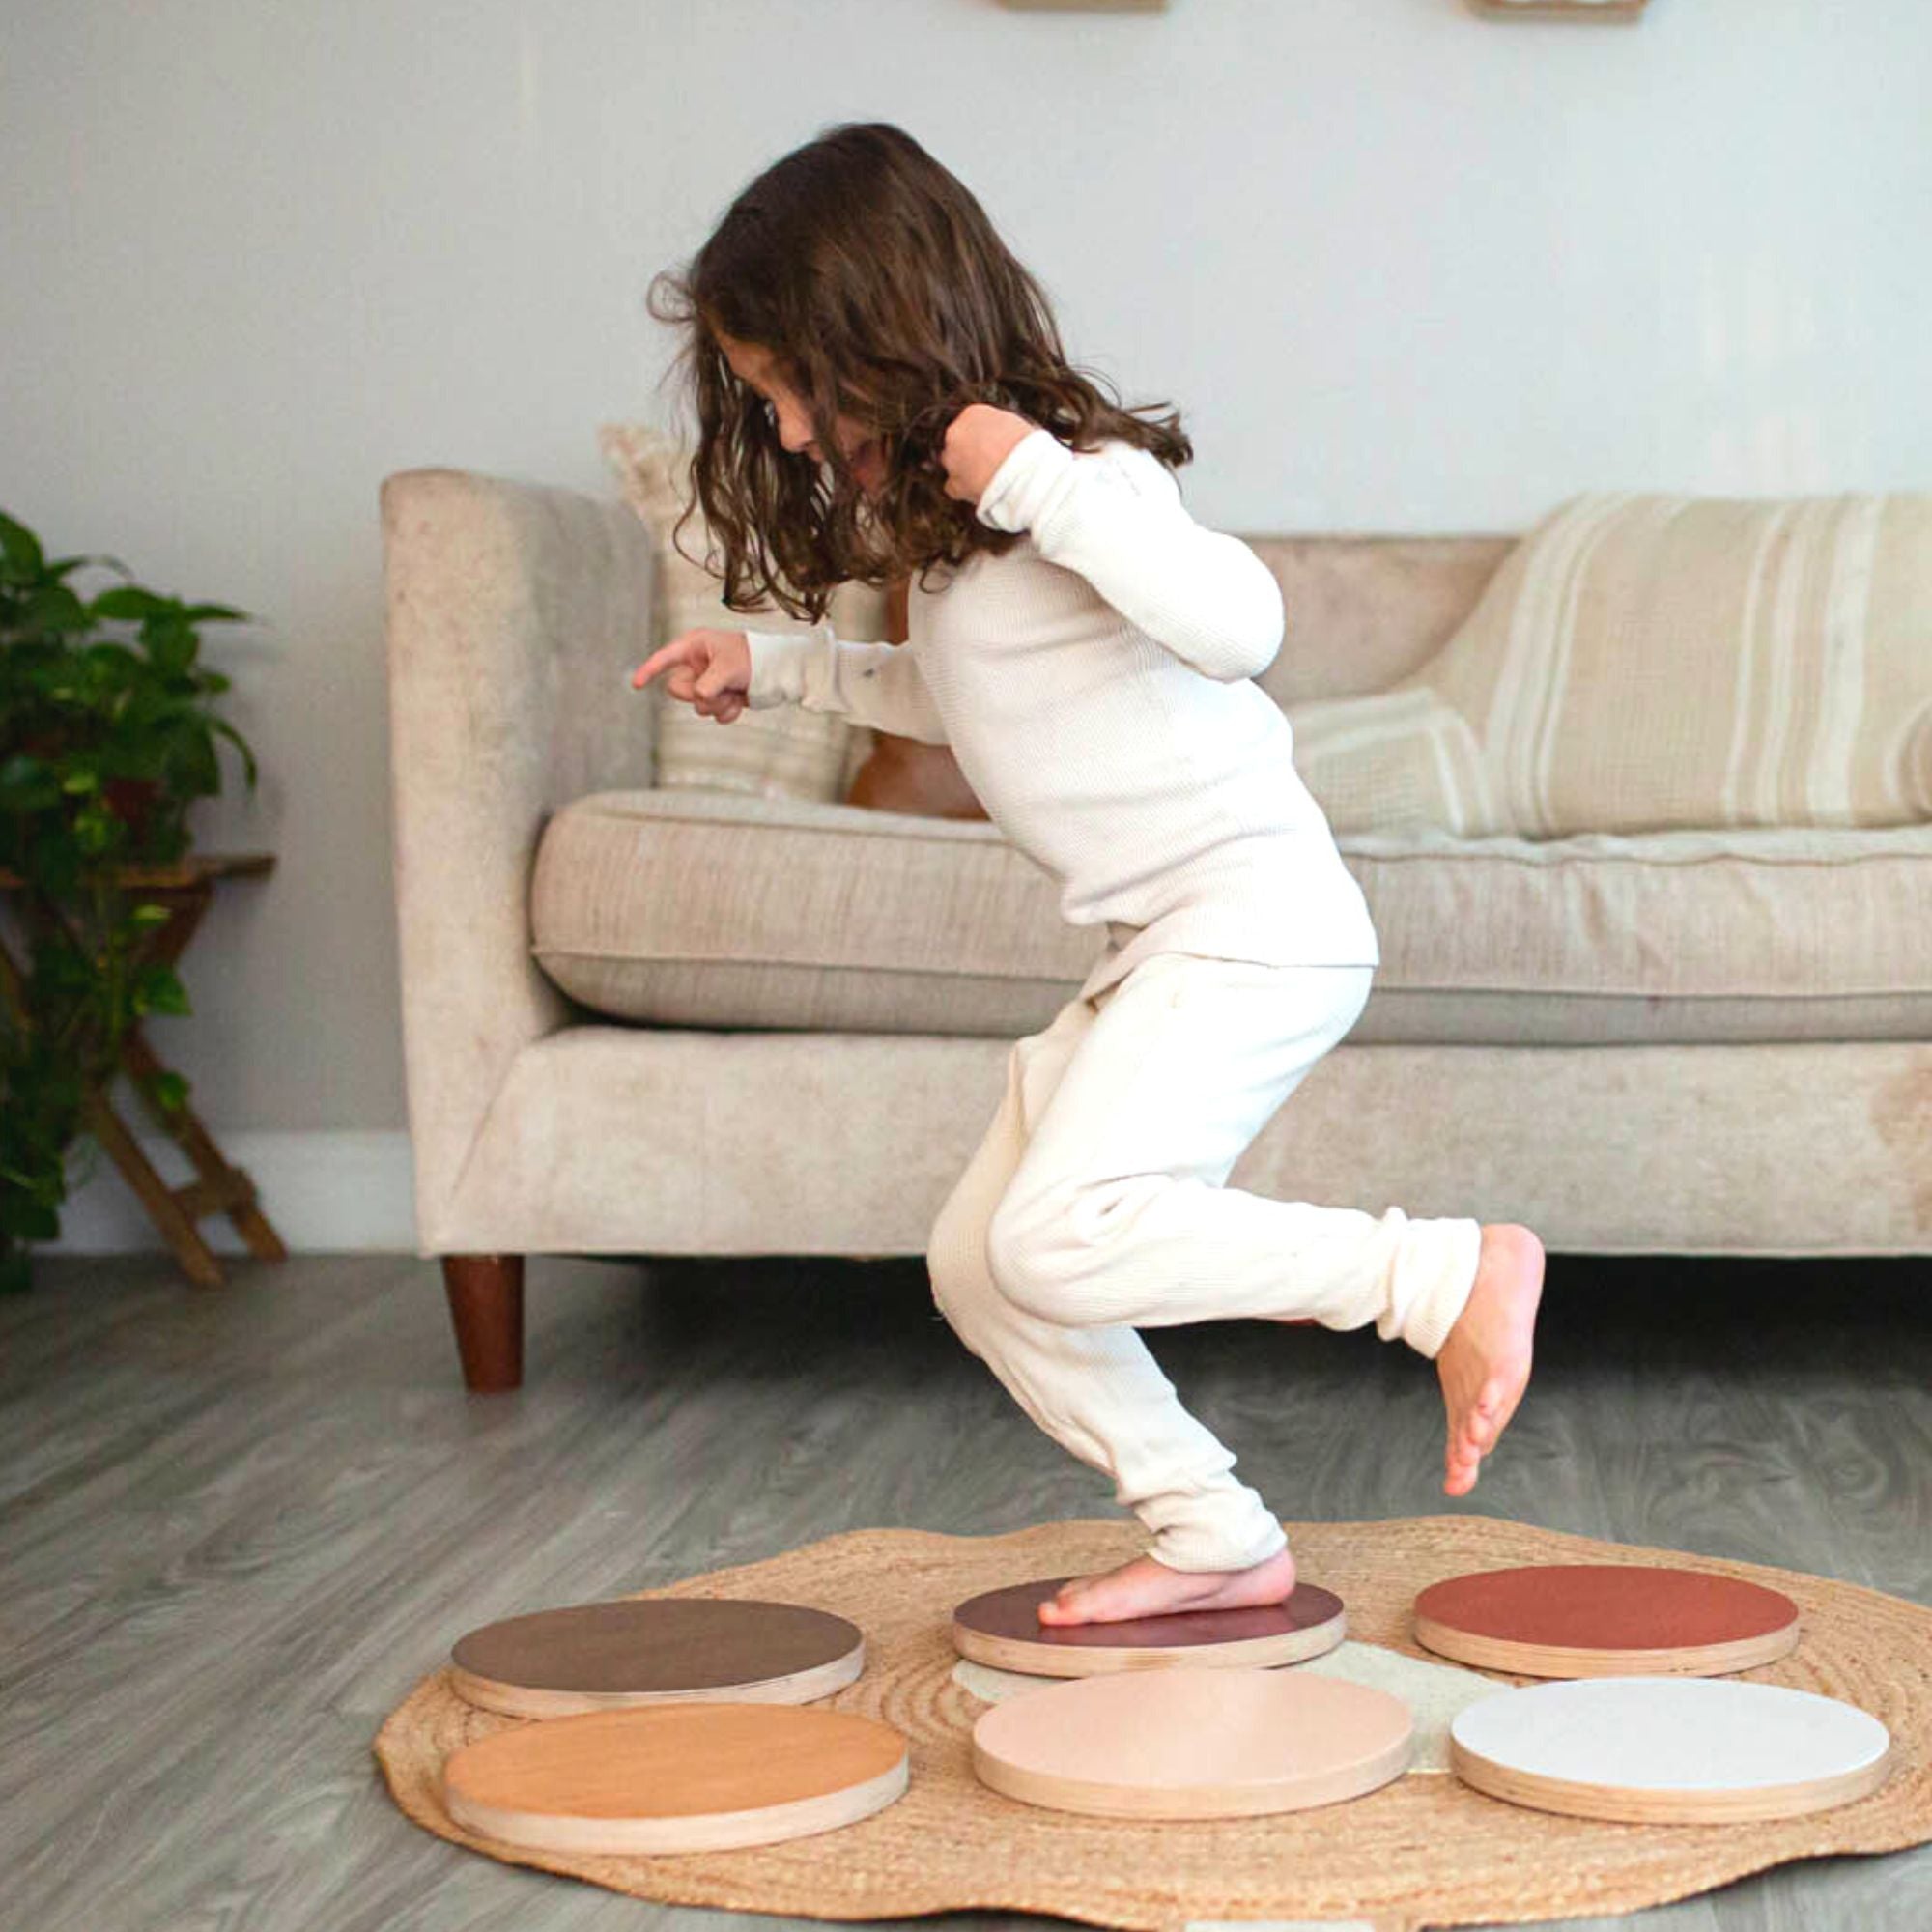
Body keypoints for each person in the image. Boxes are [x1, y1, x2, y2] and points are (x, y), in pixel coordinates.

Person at [632, 122, 1544, 1629]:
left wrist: (1044, 481)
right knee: (979, 1266)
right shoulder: (948, 539)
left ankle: (1441, 1281)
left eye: (792, 386)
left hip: (1256, 922)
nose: (786, 432)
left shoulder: (1075, 477)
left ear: (883, 321)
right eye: (765, 400)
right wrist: (780, 671)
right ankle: (1211, 1531)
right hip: (1157, 944)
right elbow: (970, 706)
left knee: (1060, 1231)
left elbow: (1243, 626)